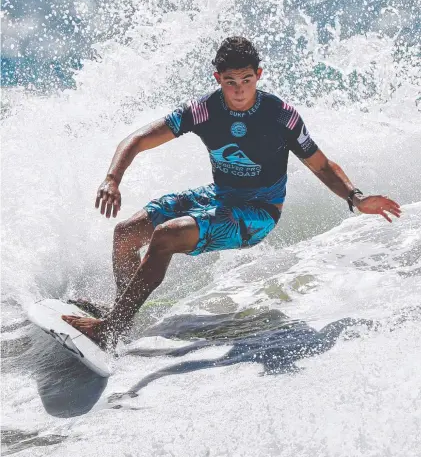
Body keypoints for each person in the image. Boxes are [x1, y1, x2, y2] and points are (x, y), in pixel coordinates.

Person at [63, 36, 401, 348]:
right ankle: (123, 315)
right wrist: (112, 178)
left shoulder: (281, 116)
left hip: (258, 212)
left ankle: (112, 328)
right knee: (125, 234)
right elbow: (136, 139)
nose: (239, 90)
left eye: (246, 81)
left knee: (165, 236)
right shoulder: (203, 110)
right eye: (230, 82)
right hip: (220, 195)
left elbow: (322, 165)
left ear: (258, 75)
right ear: (217, 79)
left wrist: (355, 198)